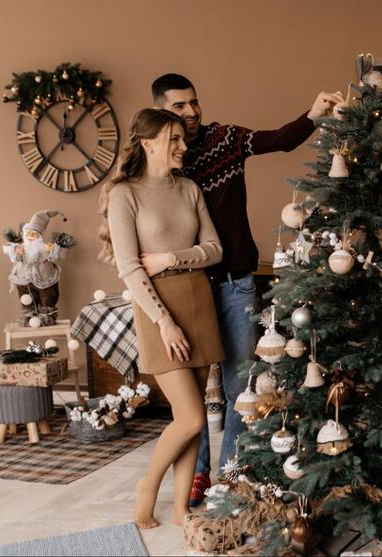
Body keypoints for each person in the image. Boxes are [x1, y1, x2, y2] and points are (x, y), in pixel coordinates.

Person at [150, 73, 342, 506]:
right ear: (162, 110)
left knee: (241, 385)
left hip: (236, 283)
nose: (192, 112)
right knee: (192, 396)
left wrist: (312, 115)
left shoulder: (226, 139)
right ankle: (196, 477)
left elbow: (278, 140)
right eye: (179, 106)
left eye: (194, 103)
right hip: (189, 288)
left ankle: (232, 473)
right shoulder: (163, 166)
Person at [98, 108, 225, 529]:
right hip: (158, 309)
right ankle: (147, 486)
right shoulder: (124, 194)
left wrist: (173, 256)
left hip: (199, 301)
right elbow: (130, 267)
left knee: (192, 422)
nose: (182, 146)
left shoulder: (189, 188)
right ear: (149, 142)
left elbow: (214, 249)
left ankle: (180, 509)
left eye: (182, 139)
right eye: (173, 139)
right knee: (189, 416)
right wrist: (163, 321)